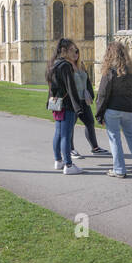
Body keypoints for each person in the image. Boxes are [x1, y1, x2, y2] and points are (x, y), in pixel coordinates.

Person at [95, 41, 132, 178]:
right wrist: (130, 104)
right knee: (131, 135)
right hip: (128, 109)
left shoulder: (110, 72)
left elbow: (103, 94)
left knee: (115, 139)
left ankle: (119, 169)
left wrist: (99, 114)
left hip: (113, 109)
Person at [46, 38, 85, 175]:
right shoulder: (65, 66)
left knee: (58, 133)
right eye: (73, 50)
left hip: (56, 103)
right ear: (64, 51)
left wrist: (49, 103)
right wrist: (78, 107)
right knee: (65, 136)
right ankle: (68, 164)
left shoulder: (53, 64)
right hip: (66, 105)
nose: (75, 52)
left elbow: (51, 88)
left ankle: (58, 160)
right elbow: (71, 87)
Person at [70, 48, 110, 159]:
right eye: (73, 52)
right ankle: (71, 149)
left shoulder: (81, 65)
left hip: (84, 100)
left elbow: (87, 81)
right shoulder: (67, 67)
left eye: (77, 52)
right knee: (70, 125)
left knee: (90, 123)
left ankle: (95, 148)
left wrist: (90, 94)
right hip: (73, 101)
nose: (75, 54)